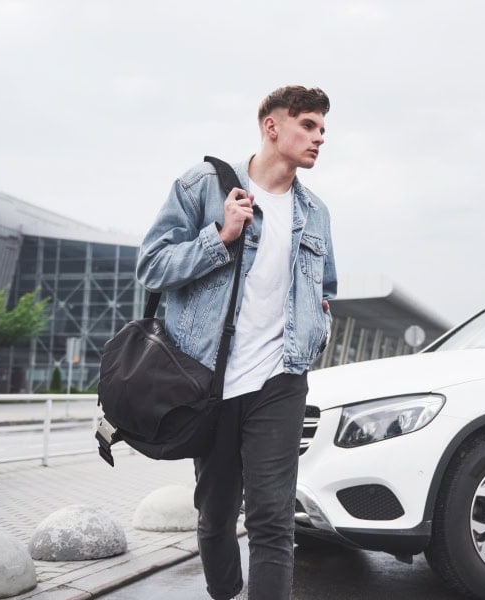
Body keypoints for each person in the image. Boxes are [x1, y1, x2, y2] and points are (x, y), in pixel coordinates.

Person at [136, 85, 336, 600]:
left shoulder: (315, 213)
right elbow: (151, 266)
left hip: (281, 380)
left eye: (321, 129)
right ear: (272, 127)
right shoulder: (205, 185)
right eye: (308, 125)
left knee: (273, 518)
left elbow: (326, 289)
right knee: (217, 516)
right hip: (210, 378)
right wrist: (218, 237)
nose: (319, 138)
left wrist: (318, 324)